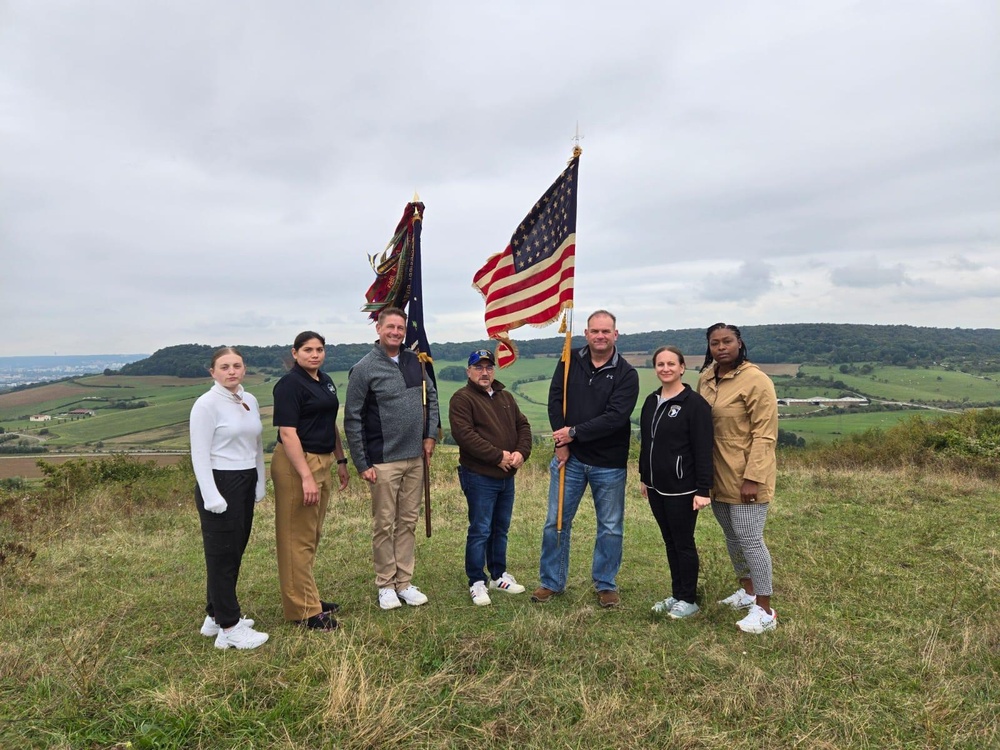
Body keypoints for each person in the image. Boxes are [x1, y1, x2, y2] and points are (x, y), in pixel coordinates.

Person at [532, 310, 640, 608]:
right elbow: (555, 400)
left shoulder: (627, 374)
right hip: (571, 459)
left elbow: (615, 419)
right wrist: (560, 442)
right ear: (586, 333)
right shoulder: (569, 361)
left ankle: (605, 583)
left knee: (610, 526)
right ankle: (551, 581)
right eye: (595, 331)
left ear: (615, 334)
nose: (600, 336)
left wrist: (574, 433)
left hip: (609, 463)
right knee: (556, 521)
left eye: (606, 331)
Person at [344, 307, 439, 610]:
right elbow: (353, 418)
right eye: (390, 327)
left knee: (407, 522)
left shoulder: (416, 362)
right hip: (383, 460)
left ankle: (405, 582)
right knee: (385, 524)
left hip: (415, 458)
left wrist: (430, 435)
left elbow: (432, 400)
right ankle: (385, 584)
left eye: (400, 328)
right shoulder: (364, 368)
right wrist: (362, 463)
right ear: (378, 329)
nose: (396, 332)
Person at [697, 323, 780, 634]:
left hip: (746, 475)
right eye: (715, 342)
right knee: (732, 537)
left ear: (740, 343)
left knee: (750, 538)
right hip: (715, 474)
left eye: (727, 341)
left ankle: (765, 609)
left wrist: (753, 478)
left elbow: (765, 434)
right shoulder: (706, 377)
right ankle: (747, 591)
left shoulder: (756, 380)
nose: (722, 347)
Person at [190, 347, 269, 650]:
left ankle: (215, 615)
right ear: (213, 372)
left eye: (236, 365)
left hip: (245, 480)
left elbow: (257, 444)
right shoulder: (206, 405)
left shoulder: (248, 400)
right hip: (220, 482)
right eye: (224, 367)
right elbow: (199, 453)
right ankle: (229, 627)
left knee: (234, 550)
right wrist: (211, 494)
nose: (231, 371)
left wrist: (259, 482)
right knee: (221, 555)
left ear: (244, 369)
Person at [271, 331, 349, 631]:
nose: (314, 355)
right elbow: (288, 433)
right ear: (295, 353)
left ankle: (309, 597)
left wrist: (340, 460)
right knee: (296, 538)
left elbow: (330, 422)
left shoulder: (325, 380)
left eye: (319, 349)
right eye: (307, 350)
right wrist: (305, 477)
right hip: (297, 462)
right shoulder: (290, 385)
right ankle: (304, 610)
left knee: (311, 534)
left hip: (323, 458)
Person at [449, 349, 533, 606]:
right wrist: (498, 456)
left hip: (507, 476)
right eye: (478, 367)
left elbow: (523, 426)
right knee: (480, 529)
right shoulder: (462, 399)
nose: (484, 372)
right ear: (469, 371)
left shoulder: (505, 397)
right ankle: (477, 581)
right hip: (479, 476)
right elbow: (465, 436)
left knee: (500, 528)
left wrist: (521, 452)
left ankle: (498, 575)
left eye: (488, 367)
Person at [638, 346, 714, 619]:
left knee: (683, 543)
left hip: (683, 488)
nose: (666, 368)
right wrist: (644, 478)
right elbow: (647, 442)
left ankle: (689, 599)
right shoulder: (651, 400)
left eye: (672, 363)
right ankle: (677, 593)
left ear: (682, 368)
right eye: (660, 364)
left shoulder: (695, 404)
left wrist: (703, 489)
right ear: (655, 368)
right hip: (656, 487)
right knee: (670, 542)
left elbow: (704, 449)